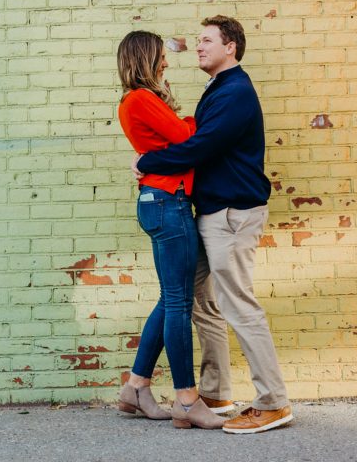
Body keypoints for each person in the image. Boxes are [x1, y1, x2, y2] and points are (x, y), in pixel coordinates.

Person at [134, 16, 293, 434]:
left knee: (238, 303)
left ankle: (273, 401)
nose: (198, 47)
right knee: (200, 302)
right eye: (199, 40)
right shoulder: (219, 89)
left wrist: (147, 162)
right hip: (212, 214)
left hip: (233, 215)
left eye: (207, 41)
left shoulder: (236, 91)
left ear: (231, 48)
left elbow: (201, 147)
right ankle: (215, 392)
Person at [116, 30, 224, 430]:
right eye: (161, 57)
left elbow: (170, 142)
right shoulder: (141, 98)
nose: (166, 62)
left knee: (171, 299)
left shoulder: (136, 100)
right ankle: (186, 399)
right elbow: (186, 137)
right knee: (179, 304)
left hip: (161, 201)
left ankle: (136, 387)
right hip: (168, 202)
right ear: (146, 58)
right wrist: (198, 119)